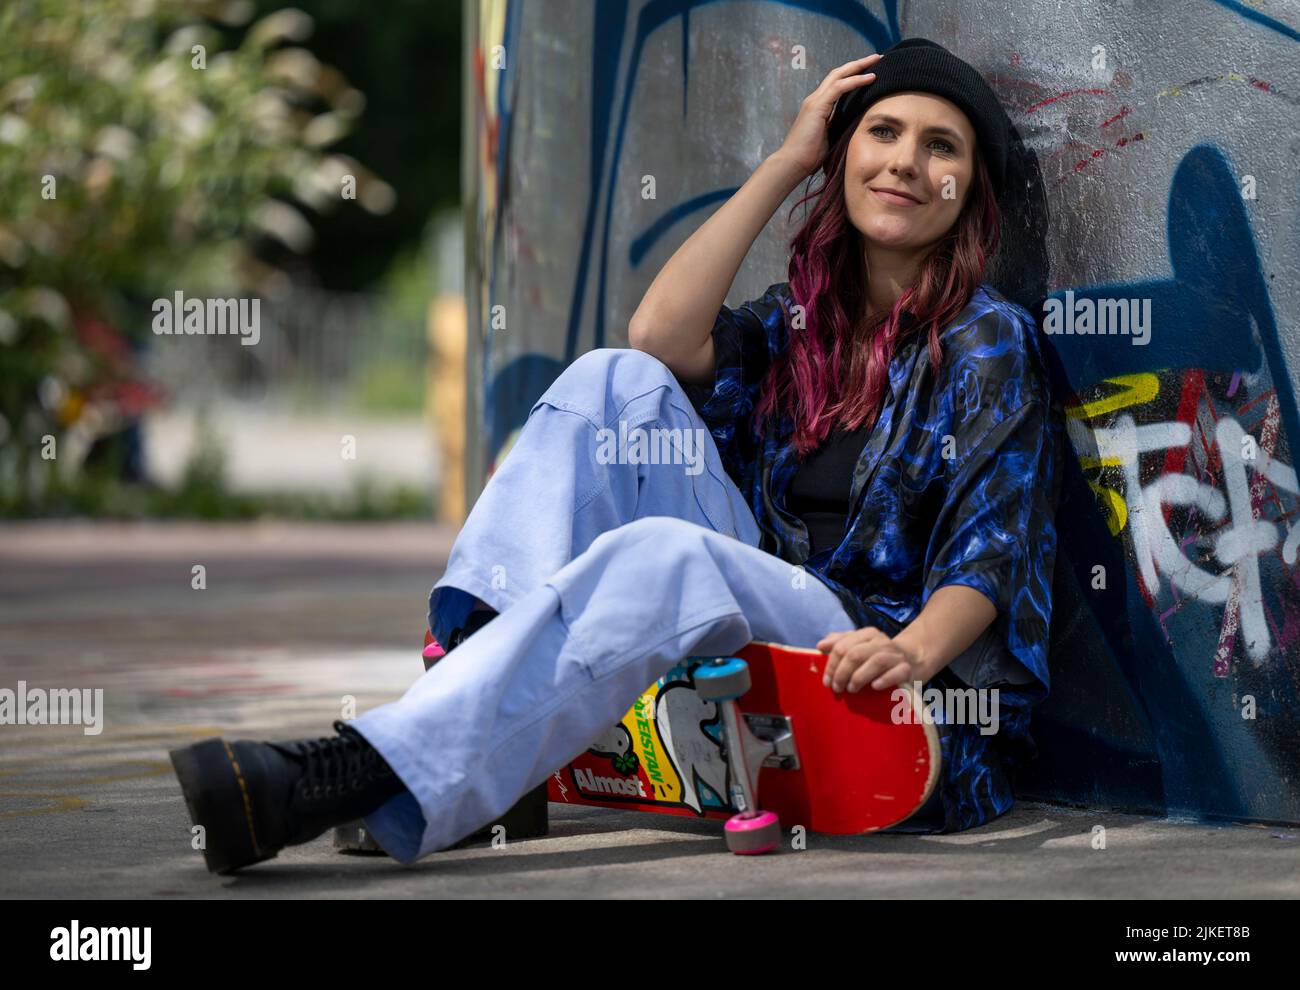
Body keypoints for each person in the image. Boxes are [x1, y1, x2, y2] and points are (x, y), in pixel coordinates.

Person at [169, 37, 1065, 874]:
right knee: (612, 380)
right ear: (844, 154)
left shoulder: (991, 343)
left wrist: (907, 652)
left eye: (941, 146)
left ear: (968, 190)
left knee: (665, 555)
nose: (906, 160)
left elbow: (991, 559)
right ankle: (469, 675)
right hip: (766, 626)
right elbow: (659, 336)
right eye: (882, 132)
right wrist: (789, 160)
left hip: (875, 674)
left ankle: (358, 769)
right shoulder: (801, 318)